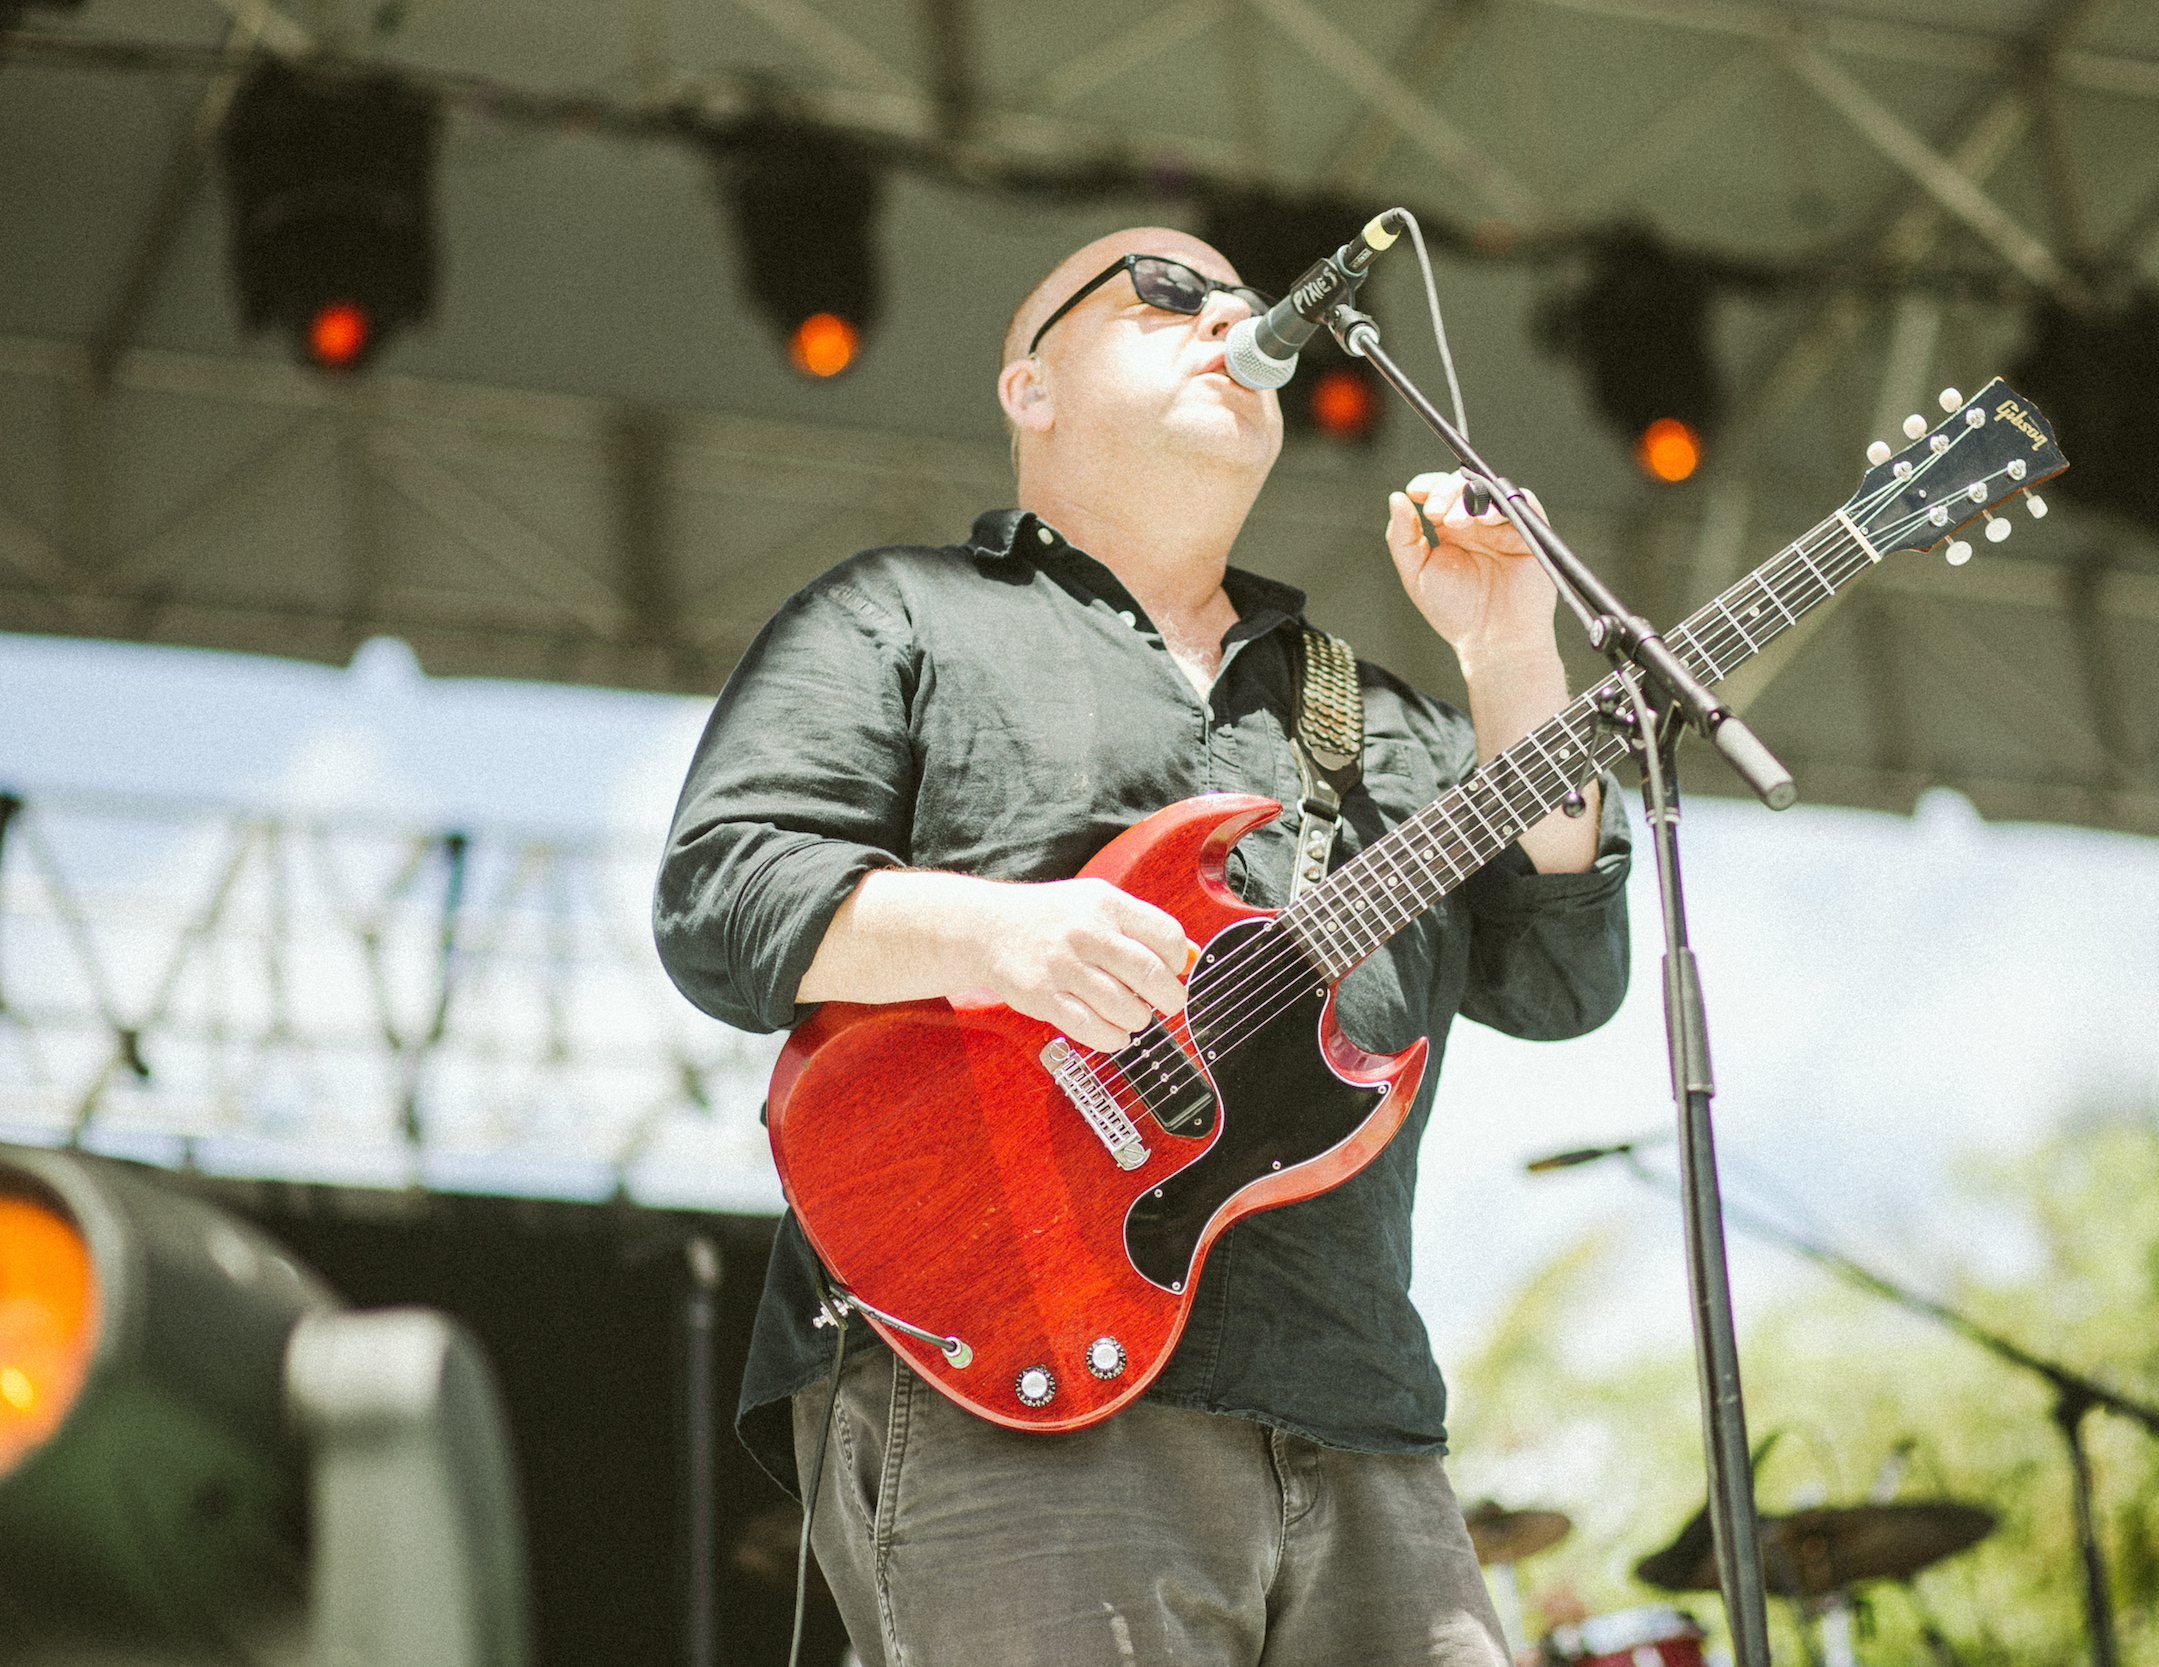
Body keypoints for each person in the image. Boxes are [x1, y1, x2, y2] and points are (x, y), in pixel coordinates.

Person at [654, 225, 1632, 1667]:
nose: (1230, 319)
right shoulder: (905, 615)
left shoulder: (1378, 722)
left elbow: (1561, 976)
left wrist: (1511, 657)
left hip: (1357, 1405)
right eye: (1169, 294)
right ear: (1031, 388)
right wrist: (1000, 934)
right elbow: (722, 894)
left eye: (1246, 302)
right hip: (1003, 1357)